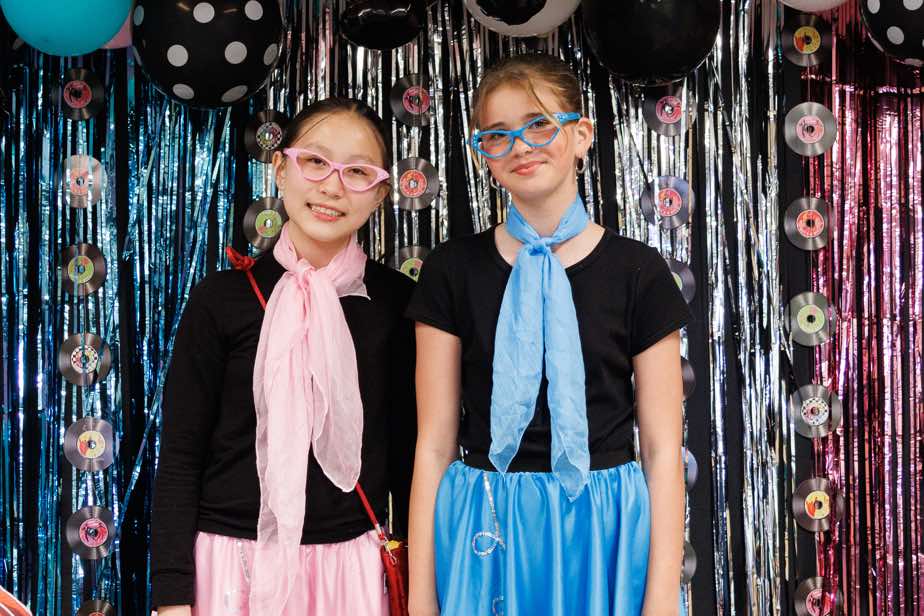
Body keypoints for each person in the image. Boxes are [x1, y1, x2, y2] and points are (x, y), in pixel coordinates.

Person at [405, 54, 691, 616]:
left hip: (601, 526)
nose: (520, 145)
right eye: (497, 134)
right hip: (486, 522)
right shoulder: (452, 270)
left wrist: (661, 597)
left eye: (539, 124)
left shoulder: (638, 272)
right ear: (483, 154)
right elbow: (434, 444)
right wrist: (422, 598)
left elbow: (661, 451)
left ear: (581, 135)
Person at [151, 98, 416, 615]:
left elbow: (408, 458)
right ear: (279, 168)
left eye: (357, 172)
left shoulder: (396, 303)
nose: (332, 186)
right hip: (231, 567)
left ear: (381, 193)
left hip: (350, 571)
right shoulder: (220, 300)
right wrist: (172, 597)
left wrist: (424, 586)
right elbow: (181, 455)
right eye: (315, 161)